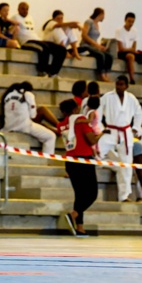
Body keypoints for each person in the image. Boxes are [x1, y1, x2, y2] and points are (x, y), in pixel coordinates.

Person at [58, 99, 100, 237]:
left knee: (80, 194)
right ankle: (73, 215)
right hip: (84, 160)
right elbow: (91, 140)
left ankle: (80, 228)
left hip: (70, 161)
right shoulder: (80, 119)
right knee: (92, 193)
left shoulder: (62, 124)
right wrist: (103, 133)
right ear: (76, 109)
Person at [97, 75, 142, 202]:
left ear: (127, 86)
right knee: (97, 152)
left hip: (126, 132)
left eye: (122, 84)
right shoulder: (107, 97)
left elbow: (139, 113)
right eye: (117, 84)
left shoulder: (131, 98)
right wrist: (100, 128)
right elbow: (98, 113)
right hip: (110, 130)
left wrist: (136, 128)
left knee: (126, 164)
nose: (119, 87)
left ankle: (124, 196)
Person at [13, 2, 67, 77]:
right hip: (26, 42)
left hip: (37, 40)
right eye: (23, 9)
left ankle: (53, 72)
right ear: (18, 9)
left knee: (61, 49)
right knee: (44, 48)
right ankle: (42, 70)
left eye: (27, 9)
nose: (25, 11)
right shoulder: (14, 18)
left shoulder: (30, 18)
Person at [0, 83, 57, 155]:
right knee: (51, 136)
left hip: (8, 127)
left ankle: (58, 128)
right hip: (24, 126)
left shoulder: (7, 96)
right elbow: (33, 115)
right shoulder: (28, 94)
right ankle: (48, 160)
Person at [115, 12, 142, 86]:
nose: (131, 23)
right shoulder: (119, 30)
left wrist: (131, 50)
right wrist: (130, 49)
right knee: (131, 56)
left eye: (132, 22)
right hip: (123, 53)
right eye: (129, 21)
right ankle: (132, 79)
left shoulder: (134, 31)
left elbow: (134, 47)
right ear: (125, 20)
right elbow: (120, 48)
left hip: (131, 51)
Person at [79, 8, 113, 82]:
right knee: (100, 56)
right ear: (100, 14)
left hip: (93, 47)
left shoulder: (97, 25)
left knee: (109, 56)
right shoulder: (89, 22)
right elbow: (84, 35)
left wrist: (100, 46)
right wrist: (96, 45)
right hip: (86, 46)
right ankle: (101, 75)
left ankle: (107, 75)